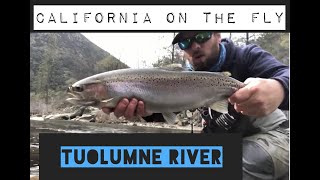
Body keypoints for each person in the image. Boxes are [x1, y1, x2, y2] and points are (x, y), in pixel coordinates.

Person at [101, 32, 289, 180]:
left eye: (201, 36)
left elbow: (285, 74)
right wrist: (142, 111)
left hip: (276, 137)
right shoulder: (184, 80)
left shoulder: (246, 56)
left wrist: (279, 88)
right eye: (185, 42)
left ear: (217, 35)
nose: (195, 46)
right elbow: (164, 113)